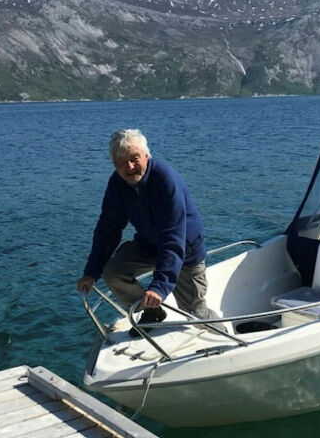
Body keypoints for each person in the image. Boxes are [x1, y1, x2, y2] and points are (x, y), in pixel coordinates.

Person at [77, 129, 219, 333]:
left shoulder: (165, 180)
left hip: (184, 250)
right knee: (114, 272)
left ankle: (227, 341)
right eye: (121, 161)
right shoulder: (118, 184)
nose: (130, 166)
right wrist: (91, 272)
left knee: (194, 311)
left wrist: (159, 287)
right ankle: (152, 311)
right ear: (114, 164)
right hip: (149, 244)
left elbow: (173, 237)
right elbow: (108, 229)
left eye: (135, 158)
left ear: (147, 155)